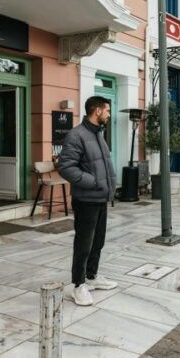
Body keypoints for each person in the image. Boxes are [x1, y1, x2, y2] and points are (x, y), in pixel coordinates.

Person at [57, 96, 118, 306]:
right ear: (98, 111)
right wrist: (93, 182)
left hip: (101, 197)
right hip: (86, 198)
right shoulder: (76, 135)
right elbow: (66, 167)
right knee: (84, 243)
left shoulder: (98, 134)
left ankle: (92, 276)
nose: (110, 114)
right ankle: (78, 284)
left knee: (98, 241)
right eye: (108, 110)